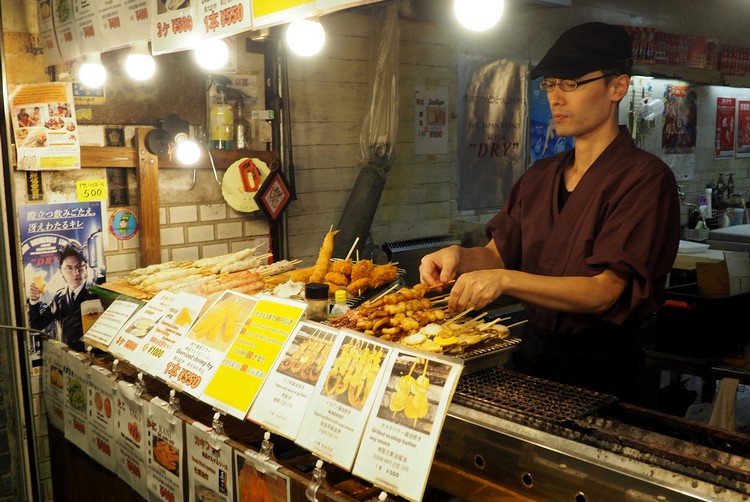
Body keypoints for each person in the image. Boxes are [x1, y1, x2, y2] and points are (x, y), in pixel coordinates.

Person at [419, 22, 681, 403]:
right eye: (550, 84)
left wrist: (505, 281)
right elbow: (496, 254)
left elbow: (602, 292)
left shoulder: (644, 179)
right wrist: (459, 257)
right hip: (534, 360)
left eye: (571, 84)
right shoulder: (541, 176)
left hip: (602, 372)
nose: (555, 98)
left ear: (617, 86)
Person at [28, 242, 99, 352]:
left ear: (86, 266)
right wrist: (34, 301)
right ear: (61, 271)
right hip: (66, 358)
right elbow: (37, 325)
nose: (76, 273)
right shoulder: (59, 297)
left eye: (79, 266)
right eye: (69, 268)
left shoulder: (97, 294)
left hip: (90, 357)